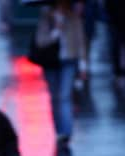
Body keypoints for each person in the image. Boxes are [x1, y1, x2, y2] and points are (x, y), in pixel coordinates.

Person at [35, 0, 87, 147]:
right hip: (51, 62)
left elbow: (80, 41)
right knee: (54, 97)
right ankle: (58, 130)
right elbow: (40, 41)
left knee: (64, 96)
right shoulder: (46, 18)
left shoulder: (74, 17)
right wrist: (55, 32)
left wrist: (83, 65)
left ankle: (66, 132)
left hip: (69, 61)